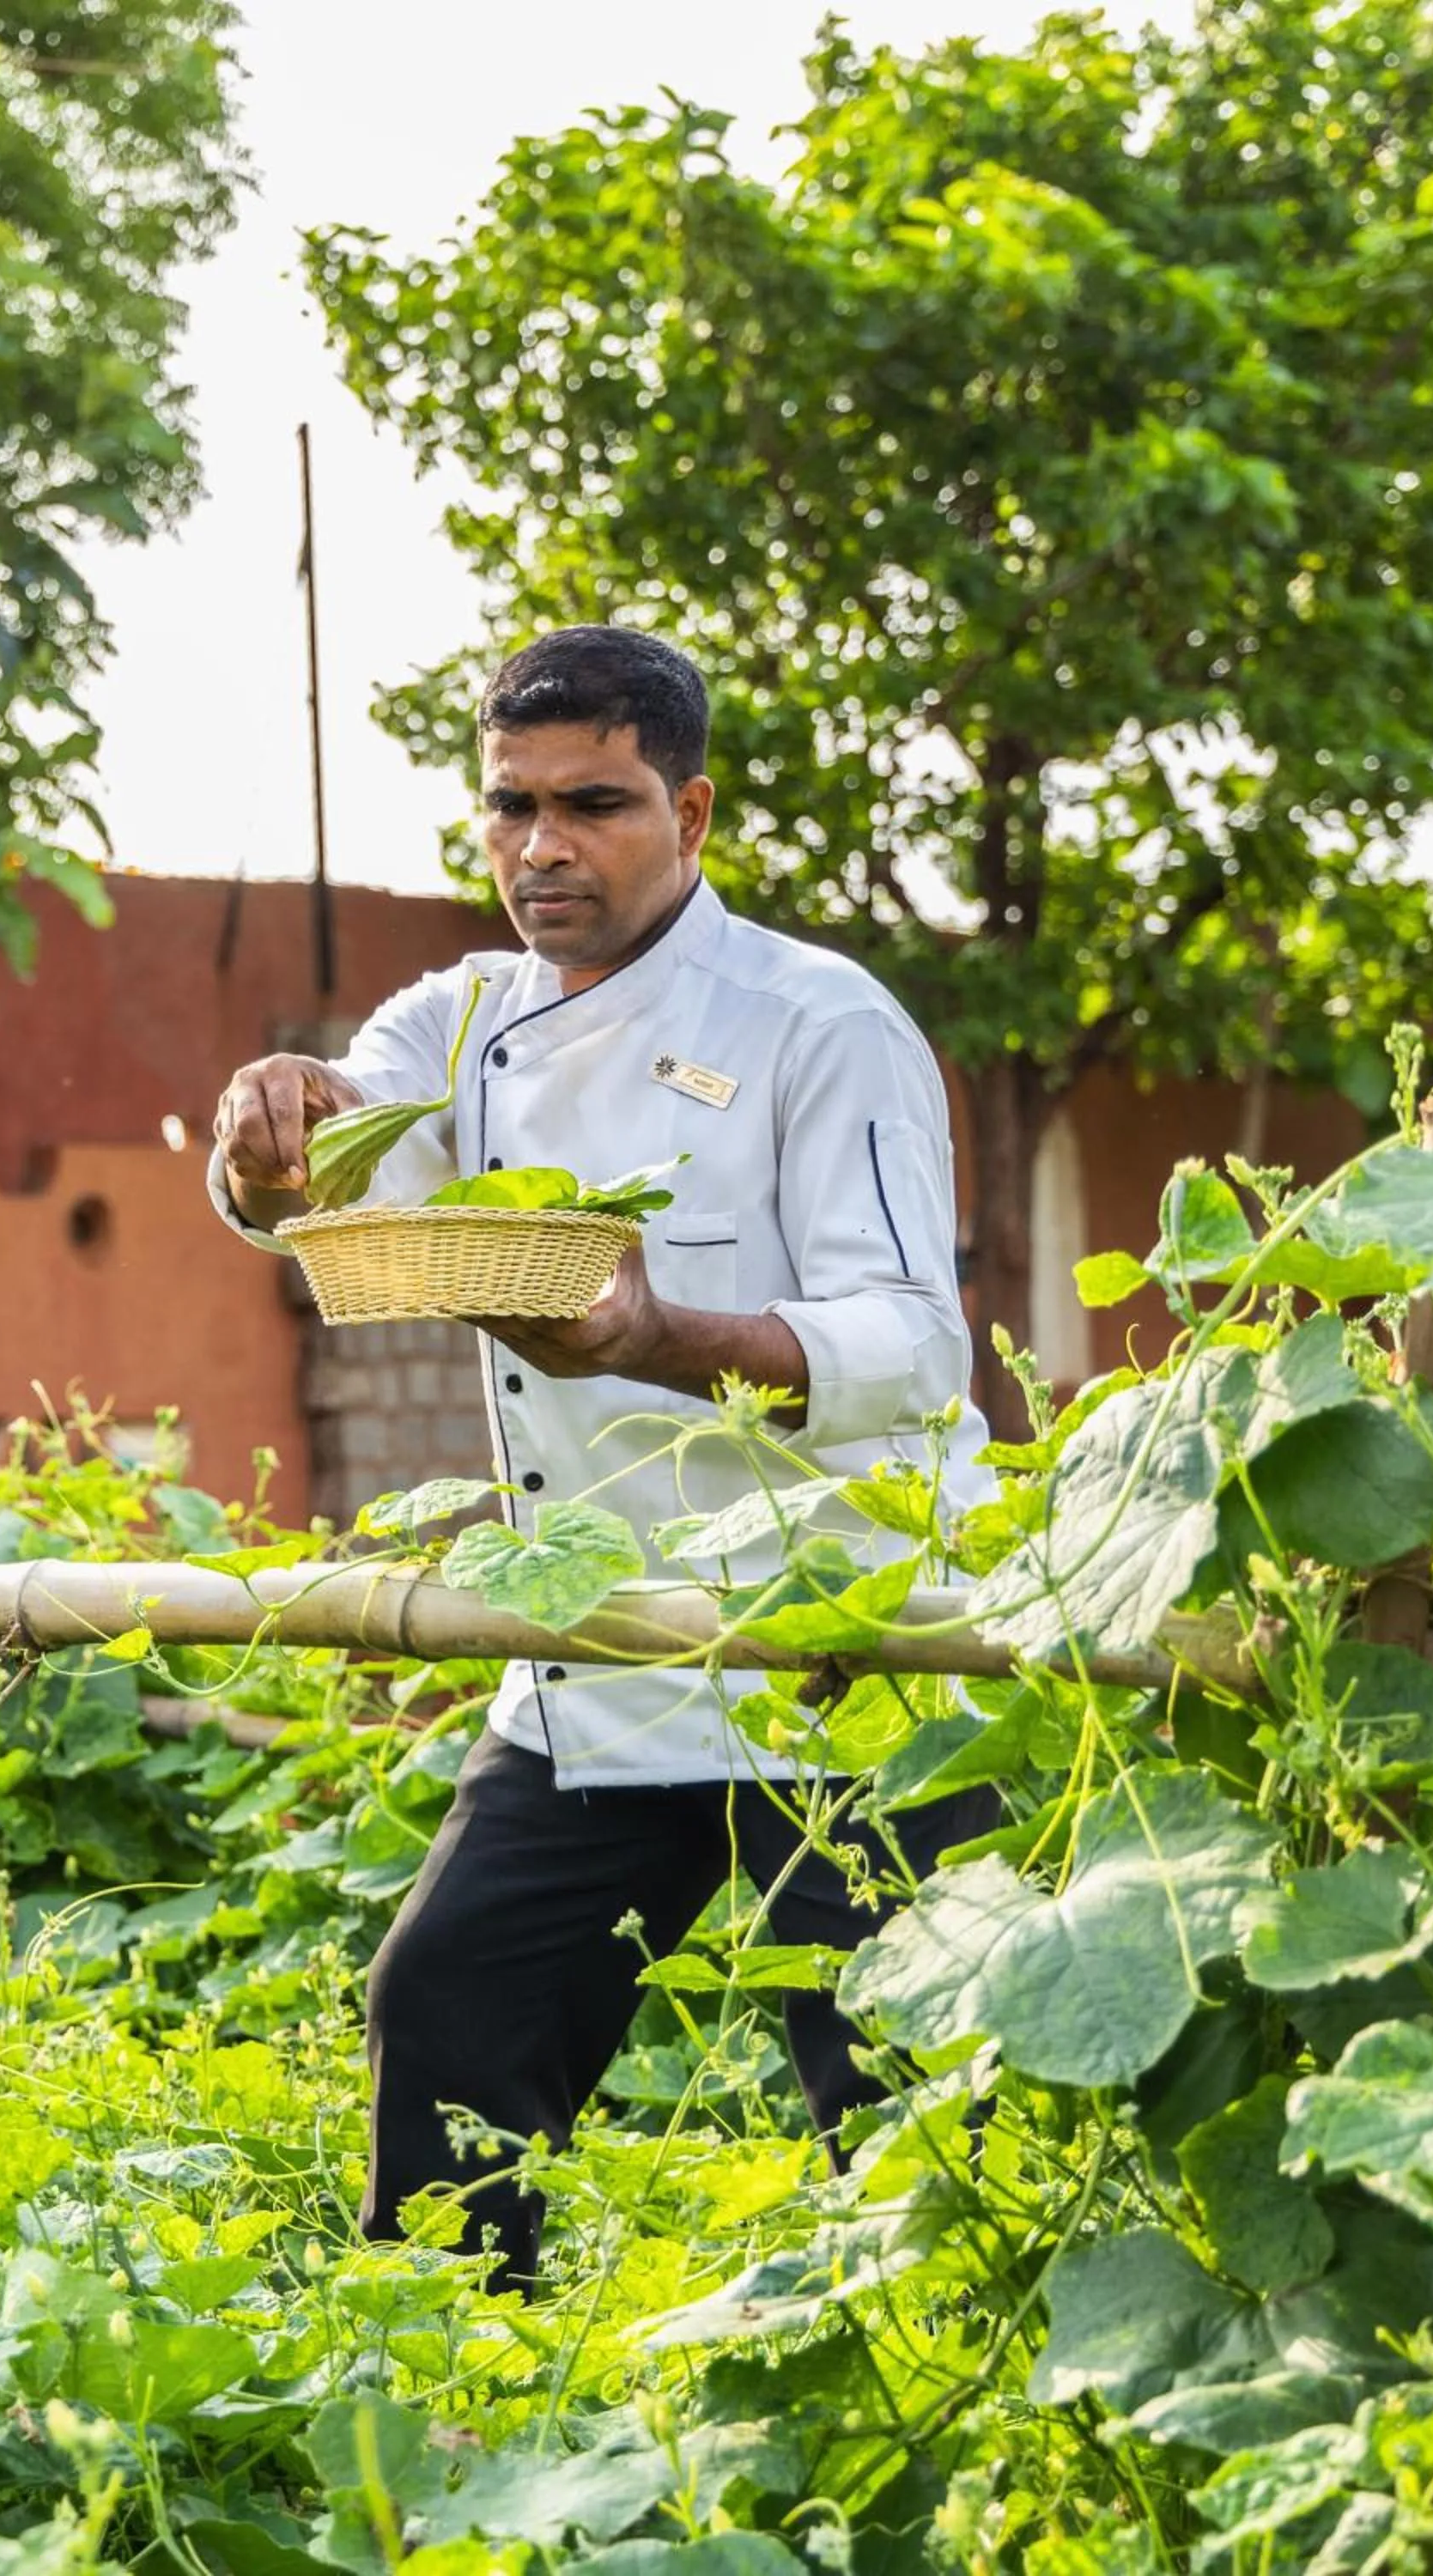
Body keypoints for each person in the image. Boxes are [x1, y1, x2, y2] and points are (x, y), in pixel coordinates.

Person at [207, 625, 996, 2288]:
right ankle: (463, 2374)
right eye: (512, 807)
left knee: (907, 2088)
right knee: (450, 2006)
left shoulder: (819, 1022)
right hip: (605, 1645)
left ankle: (950, 2390)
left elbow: (917, 1348)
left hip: (843, 1643)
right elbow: (325, 1161)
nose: (542, 847)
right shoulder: (457, 1021)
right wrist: (265, 1141)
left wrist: (655, 1336)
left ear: (689, 815)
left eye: (595, 805)